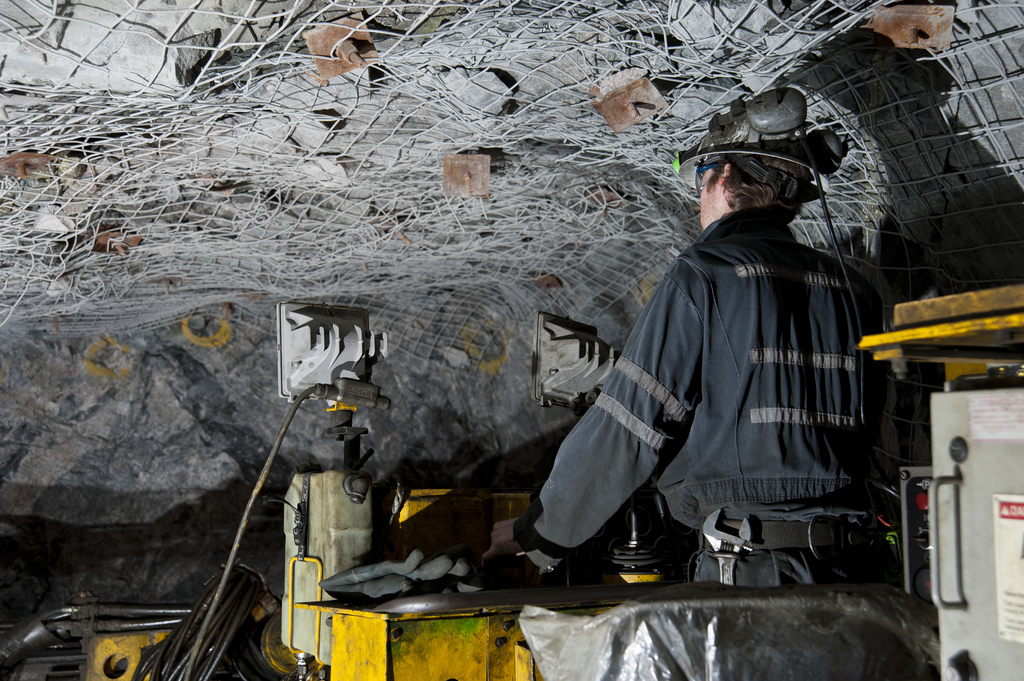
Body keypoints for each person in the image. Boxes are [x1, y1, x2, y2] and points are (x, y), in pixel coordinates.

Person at [483, 88, 886, 587]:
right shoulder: (857, 290)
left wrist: (539, 531)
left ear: (723, 177)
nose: (699, 196)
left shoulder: (704, 273)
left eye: (701, 177)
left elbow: (630, 425)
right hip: (855, 570)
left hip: (752, 571)